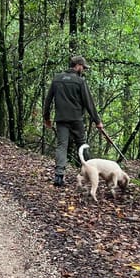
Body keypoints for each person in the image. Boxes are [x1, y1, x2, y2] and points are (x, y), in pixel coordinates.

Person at [43, 55, 104, 187]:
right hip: (76, 119)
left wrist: (46, 118)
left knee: (62, 146)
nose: (83, 70)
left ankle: (59, 176)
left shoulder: (57, 79)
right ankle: (91, 173)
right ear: (78, 66)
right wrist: (97, 121)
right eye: (83, 67)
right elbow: (89, 103)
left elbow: (48, 101)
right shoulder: (80, 81)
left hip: (61, 119)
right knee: (82, 145)